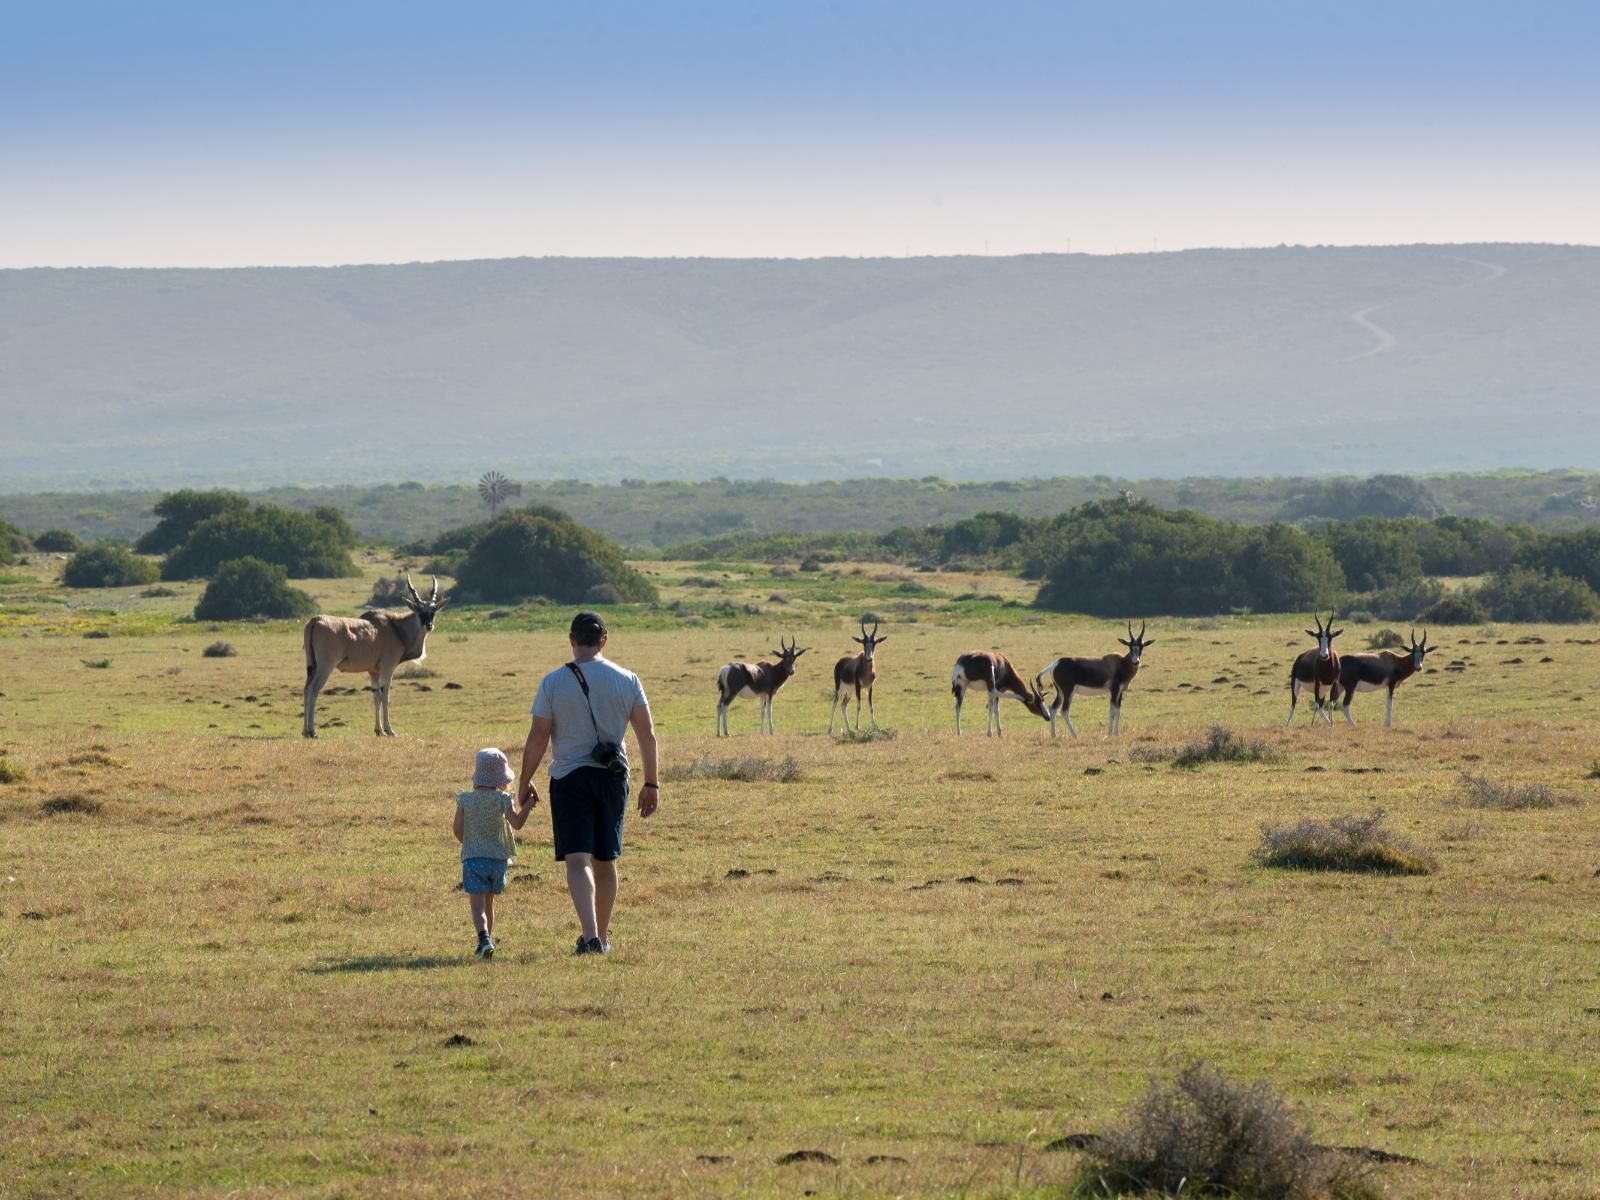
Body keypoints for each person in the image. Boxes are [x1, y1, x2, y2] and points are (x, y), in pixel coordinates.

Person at [518, 611, 659, 956]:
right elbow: (647, 735)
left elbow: (538, 737)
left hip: (568, 778)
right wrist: (651, 783)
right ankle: (604, 937)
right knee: (606, 859)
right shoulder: (628, 679)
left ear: (571, 640)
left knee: (578, 859)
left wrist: (524, 781)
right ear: (604, 640)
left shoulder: (553, 682)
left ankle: (590, 935)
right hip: (612, 779)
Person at [453, 746, 536, 959]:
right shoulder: (502, 800)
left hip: (473, 860)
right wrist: (529, 804)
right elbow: (516, 823)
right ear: (500, 778)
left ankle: (483, 940)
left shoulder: (465, 800)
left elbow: (457, 830)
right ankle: (487, 941)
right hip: (498, 861)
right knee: (489, 903)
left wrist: (469, 841)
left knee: (477, 906)